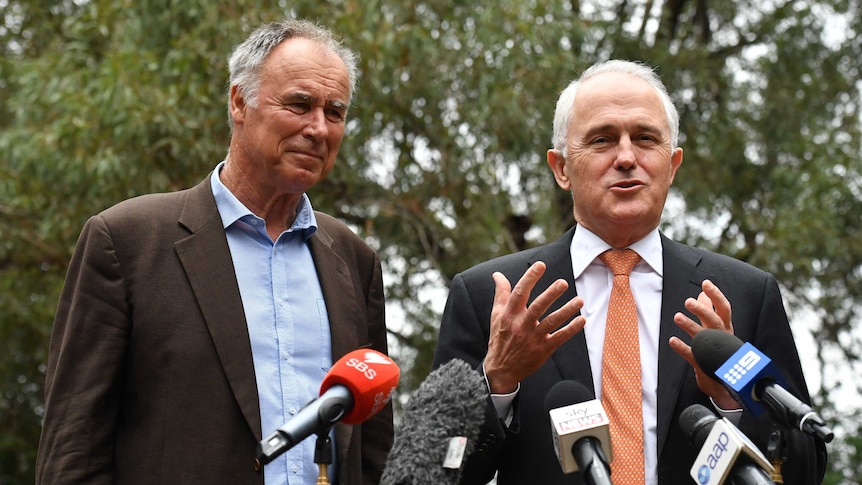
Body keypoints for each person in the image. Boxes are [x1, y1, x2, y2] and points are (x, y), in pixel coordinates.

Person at [432, 59, 827, 484]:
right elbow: (438, 468)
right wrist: (498, 383)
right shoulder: (491, 297)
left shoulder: (745, 293)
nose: (626, 157)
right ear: (561, 168)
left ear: (672, 165)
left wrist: (732, 404)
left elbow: (805, 466)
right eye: (602, 140)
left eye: (645, 138)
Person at [35, 18, 392, 485]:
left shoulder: (353, 260)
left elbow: (376, 454)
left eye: (336, 112)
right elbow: (73, 450)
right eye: (300, 104)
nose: (319, 128)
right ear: (240, 101)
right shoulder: (126, 241)